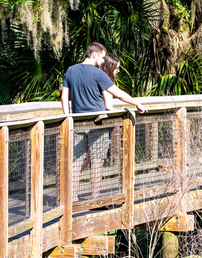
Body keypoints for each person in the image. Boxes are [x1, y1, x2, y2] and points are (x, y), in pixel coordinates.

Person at [61, 43, 146, 200]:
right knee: (97, 162)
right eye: (102, 57)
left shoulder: (70, 70)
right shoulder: (98, 73)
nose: (102, 61)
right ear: (94, 55)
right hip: (98, 123)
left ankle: (72, 199)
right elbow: (119, 93)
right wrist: (136, 103)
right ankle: (95, 199)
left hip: (77, 122)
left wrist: (68, 118)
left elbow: (64, 98)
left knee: (77, 162)